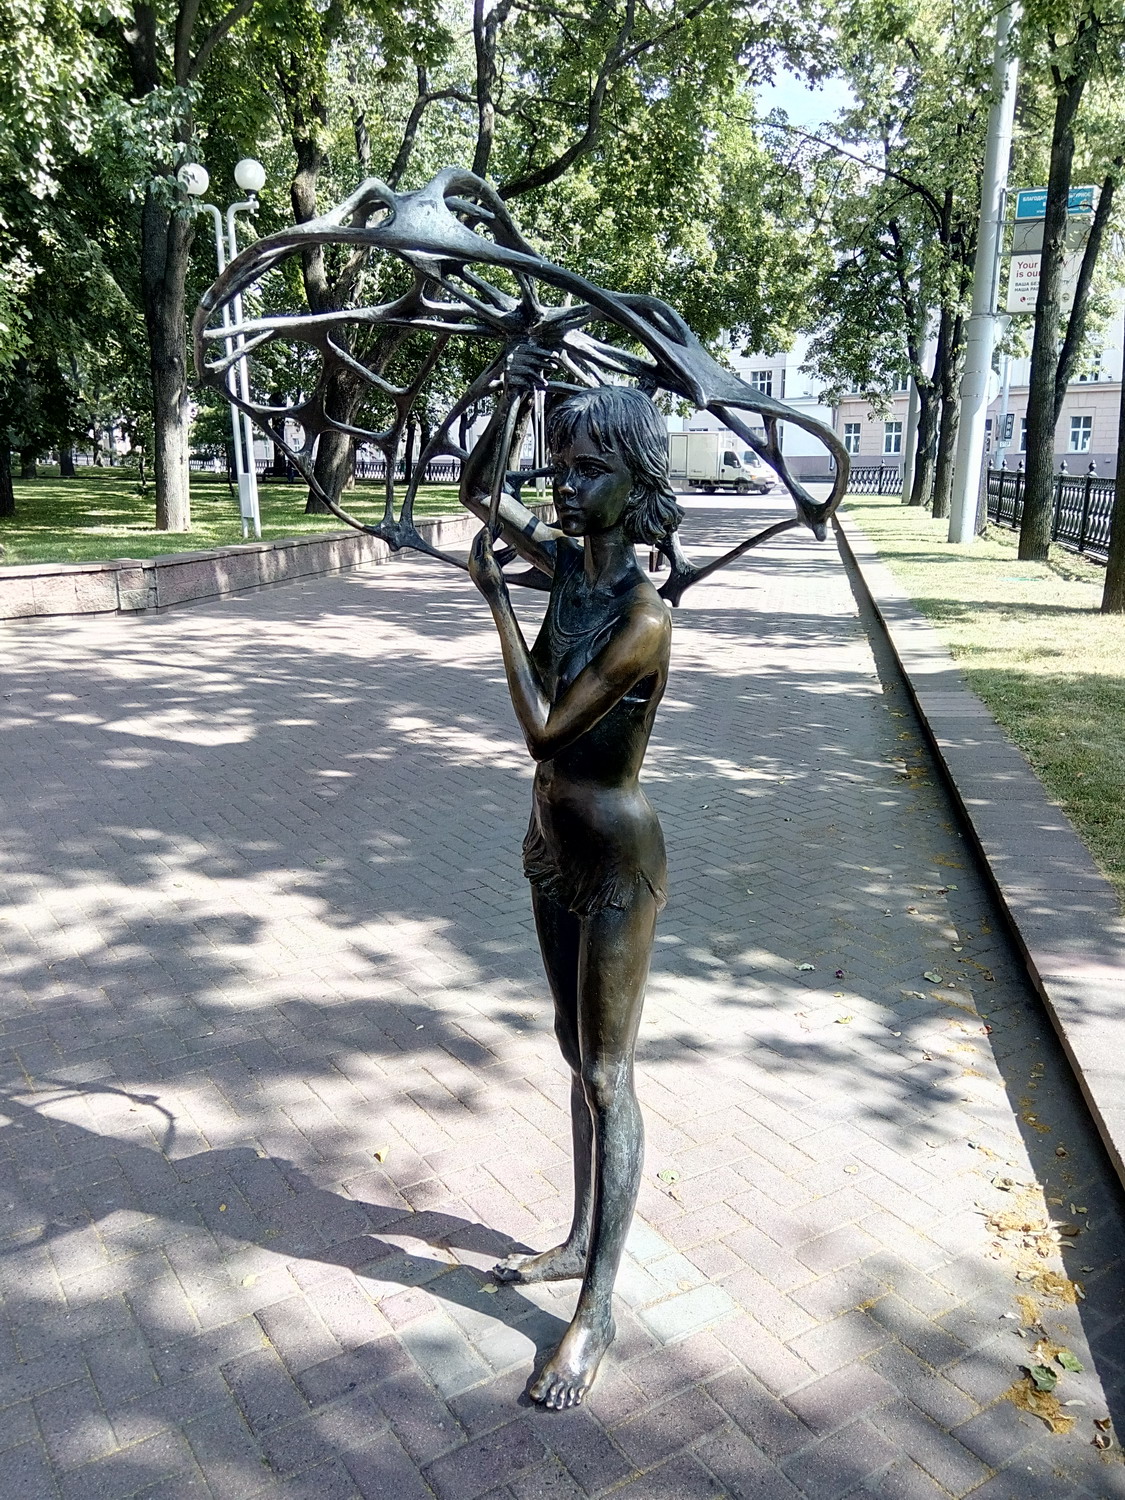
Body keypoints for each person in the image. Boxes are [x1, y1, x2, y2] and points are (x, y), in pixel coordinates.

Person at [461, 347, 683, 1409]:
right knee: (569, 1048)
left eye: (590, 467)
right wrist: (509, 395)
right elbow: (476, 489)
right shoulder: (565, 568)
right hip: (549, 845)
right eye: (561, 462)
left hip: (618, 863)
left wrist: (494, 604)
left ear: (636, 484)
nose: (565, 481)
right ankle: (578, 1235)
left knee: (606, 1074)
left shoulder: (642, 617)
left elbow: (546, 730)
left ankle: (595, 1314)